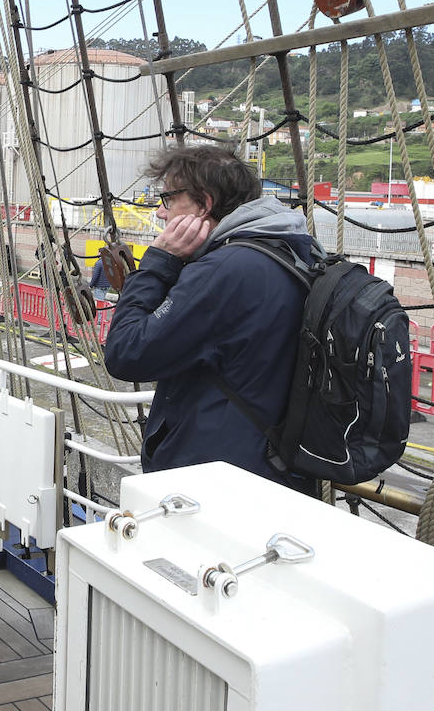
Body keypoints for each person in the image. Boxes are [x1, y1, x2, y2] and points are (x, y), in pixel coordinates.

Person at [103, 145, 316, 493]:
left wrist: (158, 261)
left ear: (204, 204)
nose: (160, 213)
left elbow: (126, 353)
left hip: (213, 482)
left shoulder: (222, 271)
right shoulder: (292, 250)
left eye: (168, 199)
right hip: (273, 472)